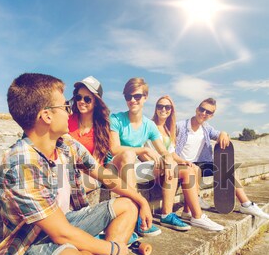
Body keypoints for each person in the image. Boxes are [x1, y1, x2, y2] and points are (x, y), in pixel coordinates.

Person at [0, 73, 153, 255]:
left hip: (68, 222)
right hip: (34, 240)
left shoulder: (65, 144)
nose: (70, 110)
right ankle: (98, 249)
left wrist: (140, 200)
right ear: (46, 116)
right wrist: (113, 248)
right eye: (65, 105)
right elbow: (61, 234)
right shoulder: (20, 162)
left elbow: (104, 175)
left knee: (127, 205)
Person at [108, 77, 190, 235]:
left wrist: (167, 157)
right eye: (128, 97)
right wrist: (144, 151)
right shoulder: (116, 119)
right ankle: (135, 216)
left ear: (145, 97)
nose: (132, 100)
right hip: (115, 167)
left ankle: (166, 214)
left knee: (171, 163)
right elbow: (114, 149)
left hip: (131, 168)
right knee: (129, 154)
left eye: (137, 96)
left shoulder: (149, 125)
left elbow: (164, 150)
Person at [175, 97, 269, 220]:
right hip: (183, 165)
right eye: (202, 109)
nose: (203, 113)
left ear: (211, 116)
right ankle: (195, 199)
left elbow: (219, 135)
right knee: (194, 170)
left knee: (227, 169)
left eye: (208, 112)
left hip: (202, 164)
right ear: (197, 109)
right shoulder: (180, 126)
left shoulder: (206, 128)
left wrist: (224, 133)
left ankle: (246, 204)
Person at [151, 96, 224, 231]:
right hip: (153, 166)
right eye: (160, 106)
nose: (163, 109)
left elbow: (171, 153)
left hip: (166, 165)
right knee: (186, 170)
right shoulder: (149, 125)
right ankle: (196, 216)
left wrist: (183, 161)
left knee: (193, 168)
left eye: (167, 107)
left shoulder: (168, 129)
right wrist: (164, 161)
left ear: (171, 110)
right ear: (155, 108)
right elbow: (146, 149)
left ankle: (189, 211)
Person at [68, 76, 110, 192]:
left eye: (87, 99)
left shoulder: (102, 128)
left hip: (92, 175)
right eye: (78, 97)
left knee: (70, 188)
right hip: (66, 172)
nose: (81, 102)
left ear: (96, 102)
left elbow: (95, 163)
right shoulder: (67, 120)